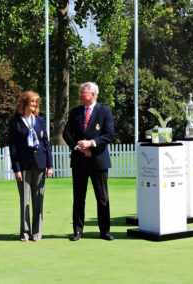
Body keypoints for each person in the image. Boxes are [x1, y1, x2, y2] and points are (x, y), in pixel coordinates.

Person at [63, 82, 115, 241]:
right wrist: (78, 148)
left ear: (92, 94)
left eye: (82, 93)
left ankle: (105, 231)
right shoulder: (75, 112)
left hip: (98, 161)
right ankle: (77, 231)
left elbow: (109, 136)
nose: (80, 95)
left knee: (102, 198)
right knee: (79, 197)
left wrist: (91, 144)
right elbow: (66, 133)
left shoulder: (105, 112)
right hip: (79, 161)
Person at [8, 91, 53, 242]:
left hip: (40, 163)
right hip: (24, 165)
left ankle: (37, 232)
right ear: (24, 103)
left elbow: (46, 143)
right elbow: (13, 148)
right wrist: (17, 169)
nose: (34, 105)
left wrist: (50, 165)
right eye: (32, 102)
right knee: (25, 200)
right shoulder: (15, 122)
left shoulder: (39, 120)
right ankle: (25, 232)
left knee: (38, 199)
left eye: (36, 103)